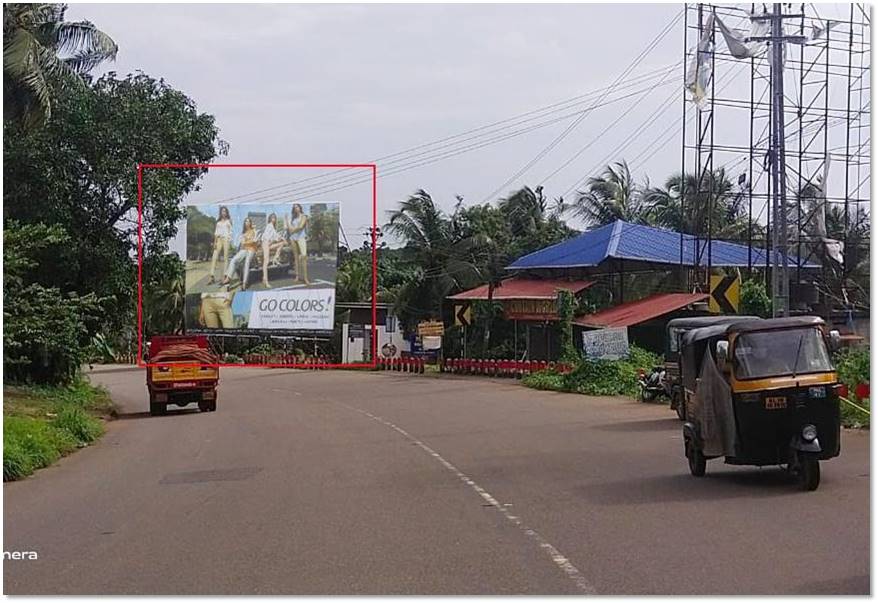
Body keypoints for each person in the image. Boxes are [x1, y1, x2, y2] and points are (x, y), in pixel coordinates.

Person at [221, 217, 259, 290]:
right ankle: (228, 278)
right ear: (244, 224)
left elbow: (255, 241)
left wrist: (247, 242)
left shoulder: (254, 230)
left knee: (247, 263)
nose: (247, 223)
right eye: (245, 221)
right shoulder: (243, 233)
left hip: (252, 249)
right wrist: (249, 242)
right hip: (244, 249)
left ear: (250, 223)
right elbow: (243, 243)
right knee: (234, 260)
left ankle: (244, 283)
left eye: (248, 221)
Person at [283, 203, 310, 285]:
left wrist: (292, 230)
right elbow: (288, 228)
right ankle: (297, 276)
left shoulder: (304, 216)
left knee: (304, 256)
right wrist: (287, 220)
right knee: (296, 257)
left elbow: (301, 227)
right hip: (292, 238)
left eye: (297, 207)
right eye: (294, 207)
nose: (296, 209)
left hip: (301, 237)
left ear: (300, 208)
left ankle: (305, 278)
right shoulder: (293, 218)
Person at [207, 206, 232, 285]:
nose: (223, 213)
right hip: (219, 240)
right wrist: (215, 243)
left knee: (225, 258)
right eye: (222, 211)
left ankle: (225, 276)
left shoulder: (228, 221)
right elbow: (216, 233)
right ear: (220, 213)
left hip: (226, 239)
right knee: (214, 257)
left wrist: (229, 239)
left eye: (225, 211)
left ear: (226, 213)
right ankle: (211, 276)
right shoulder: (218, 223)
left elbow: (231, 231)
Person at [260, 213, 285, 289]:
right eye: (272, 218)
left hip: (269, 244)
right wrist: (276, 239)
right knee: (266, 261)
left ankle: (275, 258)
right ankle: (266, 281)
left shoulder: (273, 227)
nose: (274, 219)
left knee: (281, 244)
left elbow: (276, 237)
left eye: (274, 218)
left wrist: (282, 239)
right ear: (270, 219)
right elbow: (267, 237)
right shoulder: (269, 225)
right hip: (265, 243)